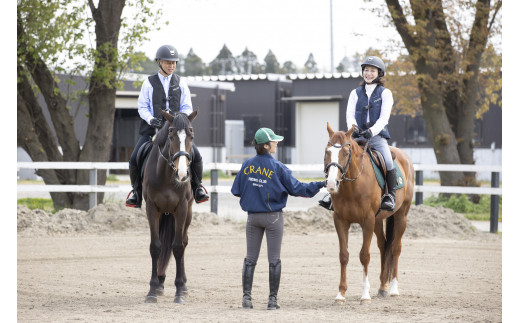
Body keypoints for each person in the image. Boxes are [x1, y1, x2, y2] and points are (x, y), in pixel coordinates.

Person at [231, 127, 326, 310]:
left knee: (250, 259)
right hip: (273, 218)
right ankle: (272, 301)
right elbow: (299, 189)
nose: (276, 143)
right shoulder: (279, 168)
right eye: (274, 141)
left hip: (252, 219)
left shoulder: (246, 165)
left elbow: (237, 191)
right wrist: (321, 184)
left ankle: (246, 299)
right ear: (266, 146)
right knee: (274, 259)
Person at [125, 44, 209, 208]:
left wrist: (181, 119)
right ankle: (136, 192)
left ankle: (198, 188)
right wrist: (150, 119)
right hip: (152, 129)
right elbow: (142, 107)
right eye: (168, 62)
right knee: (135, 158)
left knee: (197, 155)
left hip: (176, 131)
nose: (171, 66)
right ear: (159, 62)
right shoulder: (148, 83)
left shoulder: (181, 82)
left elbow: (186, 106)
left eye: (174, 63)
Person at [318, 55, 396, 211]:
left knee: (388, 161)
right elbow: (350, 115)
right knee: (339, 157)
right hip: (356, 136)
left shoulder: (385, 93)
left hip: (377, 137)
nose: (368, 73)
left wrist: (371, 132)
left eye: (372, 71)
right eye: (366, 70)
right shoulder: (355, 93)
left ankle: (390, 196)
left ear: (379, 73)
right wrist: (354, 129)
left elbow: (384, 118)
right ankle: (333, 196)